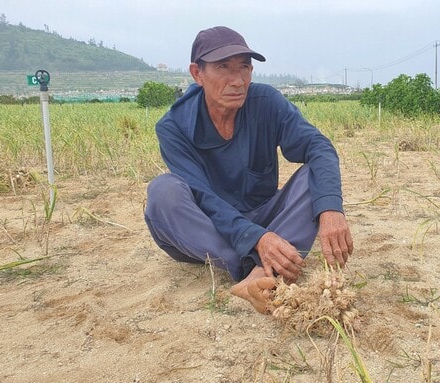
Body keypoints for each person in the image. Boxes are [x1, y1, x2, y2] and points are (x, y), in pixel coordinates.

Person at [143, 26, 353, 314]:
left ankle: (260, 273)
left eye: (244, 68)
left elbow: (318, 146)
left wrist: (331, 209)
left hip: (263, 216)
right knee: (163, 191)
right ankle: (257, 269)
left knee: (313, 176)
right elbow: (203, 198)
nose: (237, 80)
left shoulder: (266, 102)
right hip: (206, 232)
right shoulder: (174, 126)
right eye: (223, 68)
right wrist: (257, 241)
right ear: (197, 73)